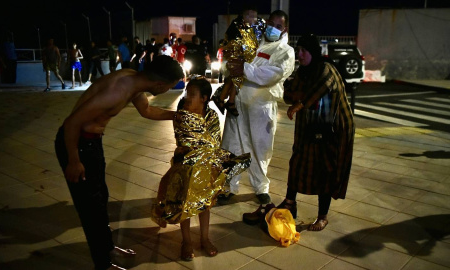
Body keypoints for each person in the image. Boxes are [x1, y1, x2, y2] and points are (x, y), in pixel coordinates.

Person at [54, 55, 185, 270]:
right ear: (160, 85)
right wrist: (73, 160)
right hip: (77, 144)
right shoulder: (119, 91)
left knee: (100, 198)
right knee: (90, 208)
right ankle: (103, 264)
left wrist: (178, 116)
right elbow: (72, 123)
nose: (169, 90)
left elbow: (147, 110)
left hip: (91, 144)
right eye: (171, 87)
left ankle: (107, 247)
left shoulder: (135, 82)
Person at [151, 77, 250, 261]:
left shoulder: (211, 116)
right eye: (187, 93)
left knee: (204, 205)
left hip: (205, 165)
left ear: (204, 98)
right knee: (185, 204)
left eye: (193, 94)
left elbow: (212, 142)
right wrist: (198, 149)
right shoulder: (182, 114)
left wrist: (204, 152)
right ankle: (186, 241)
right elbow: (184, 142)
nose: (188, 97)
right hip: (185, 166)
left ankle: (205, 238)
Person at [277, 34, 355, 231]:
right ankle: (289, 203)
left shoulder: (326, 69)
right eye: (298, 50)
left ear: (313, 52)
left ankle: (322, 216)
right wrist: (297, 98)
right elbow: (287, 93)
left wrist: (300, 103)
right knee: (297, 163)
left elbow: (321, 88)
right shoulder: (302, 72)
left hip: (330, 130)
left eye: (304, 50)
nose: (300, 54)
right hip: (308, 129)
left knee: (325, 170)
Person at [219, 10, 295, 206]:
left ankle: (261, 187)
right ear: (266, 22)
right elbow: (233, 61)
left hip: (261, 107)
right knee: (231, 145)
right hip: (238, 103)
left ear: (284, 29)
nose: (273, 28)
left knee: (260, 149)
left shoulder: (285, 51)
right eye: (271, 23)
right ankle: (229, 186)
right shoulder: (252, 41)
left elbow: (272, 74)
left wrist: (244, 68)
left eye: (278, 26)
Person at [212, 5, 264, 117]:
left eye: (254, 16)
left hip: (243, 58)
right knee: (236, 77)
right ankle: (228, 101)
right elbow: (232, 42)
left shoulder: (253, 26)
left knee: (234, 78)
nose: (253, 19)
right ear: (244, 15)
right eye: (250, 16)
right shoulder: (237, 25)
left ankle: (222, 99)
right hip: (235, 56)